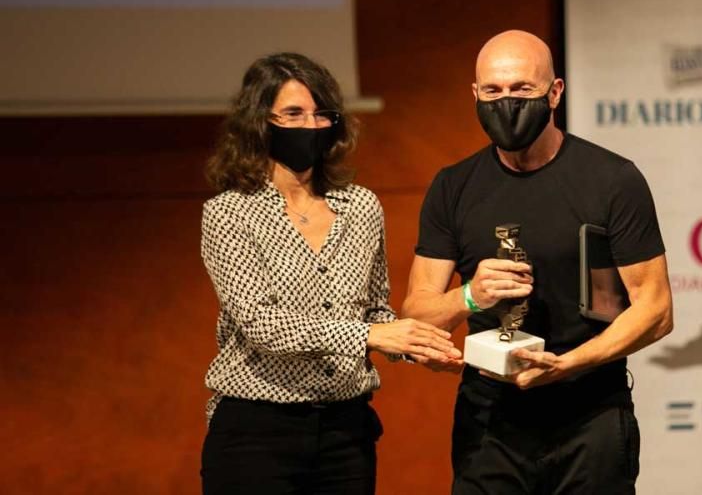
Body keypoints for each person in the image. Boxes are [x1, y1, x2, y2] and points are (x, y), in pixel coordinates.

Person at [402, 30, 674, 494]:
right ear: (475, 94)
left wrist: (568, 365)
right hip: (489, 421)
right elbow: (417, 312)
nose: (506, 102)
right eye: (493, 91)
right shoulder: (453, 187)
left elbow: (657, 311)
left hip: (590, 414)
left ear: (554, 92)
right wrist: (470, 295)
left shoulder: (612, 180)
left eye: (522, 89)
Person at [199, 52, 462, 495]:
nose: (311, 126)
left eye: (322, 114)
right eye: (294, 114)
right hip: (257, 435)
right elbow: (262, 326)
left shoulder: (361, 207)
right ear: (260, 121)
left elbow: (374, 311)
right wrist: (369, 337)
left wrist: (413, 345)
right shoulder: (228, 214)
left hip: (346, 434)